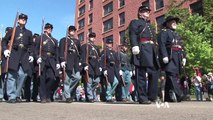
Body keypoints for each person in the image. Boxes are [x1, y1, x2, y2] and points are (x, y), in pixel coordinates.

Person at [129, 5, 160, 104]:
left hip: (151, 50)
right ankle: (142, 97)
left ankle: (152, 96)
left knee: (154, 72)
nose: (147, 13)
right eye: (145, 11)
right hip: (142, 49)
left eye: (148, 11)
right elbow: (133, 34)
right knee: (141, 74)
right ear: (140, 13)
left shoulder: (149, 25)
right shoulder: (135, 22)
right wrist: (134, 45)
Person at [2, 13, 34, 103]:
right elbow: (4, 41)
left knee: (23, 75)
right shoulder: (12, 30)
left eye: (25, 19)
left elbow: (31, 45)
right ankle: (11, 96)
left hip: (24, 55)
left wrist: (31, 54)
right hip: (14, 54)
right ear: (18, 20)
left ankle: (17, 94)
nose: (23, 20)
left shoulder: (29, 32)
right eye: (21, 19)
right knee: (12, 76)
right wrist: (5, 50)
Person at [158, 16, 186, 102]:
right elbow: (162, 44)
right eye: (172, 21)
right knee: (171, 74)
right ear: (167, 23)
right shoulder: (164, 32)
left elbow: (182, 46)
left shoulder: (176, 34)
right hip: (169, 56)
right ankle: (179, 94)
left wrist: (184, 57)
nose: (175, 23)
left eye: (175, 22)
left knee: (172, 75)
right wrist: (164, 55)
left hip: (177, 57)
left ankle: (167, 97)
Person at [36, 23, 60, 103]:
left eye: (50, 28)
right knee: (42, 79)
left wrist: (57, 62)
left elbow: (57, 52)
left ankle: (47, 94)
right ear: (45, 29)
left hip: (52, 60)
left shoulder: (55, 40)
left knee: (52, 78)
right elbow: (35, 49)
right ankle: (43, 97)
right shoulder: (40, 38)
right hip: (42, 59)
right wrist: (37, 57)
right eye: (48, 28)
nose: (49, 29)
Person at [59, 25, 81, 103]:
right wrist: (62, 60)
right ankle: (68, 97)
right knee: (66, 81)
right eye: (71, 30)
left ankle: (66, 92)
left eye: (74, 30)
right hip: (67, 62)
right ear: (68, 31)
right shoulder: (63, 40)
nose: (73, 31)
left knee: (77, 77)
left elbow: (80, 52)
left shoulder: (77, 41)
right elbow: (61, 50)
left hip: (75, 63)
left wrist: (80, 61)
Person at [80, 32, 101, 102]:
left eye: (94, 37)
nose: (93, 38)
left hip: (96, 66)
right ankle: (90, 97)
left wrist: (100, 66)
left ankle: (89, 93)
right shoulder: (84, 46)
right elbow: (83, 56)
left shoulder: (96, 48)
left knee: (97, 80)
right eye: (91, 37)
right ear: (89, 38)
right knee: (89, 82)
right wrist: (84, 64)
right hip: (88, 65)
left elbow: (99, 58)